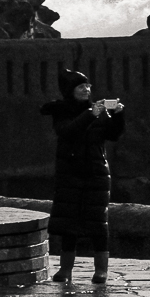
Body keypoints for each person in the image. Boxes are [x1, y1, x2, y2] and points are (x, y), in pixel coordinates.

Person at [39, 69, 124, 284]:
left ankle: (101, 270)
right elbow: (68, 131)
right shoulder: (62, 111)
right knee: (69, 223)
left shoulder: (97, 110)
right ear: (71, 90)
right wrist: (91, 113)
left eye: (88, 86)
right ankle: (65, 270)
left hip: (96, 173)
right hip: (70, 173)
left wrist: (118, 115)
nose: (86, 90)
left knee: (98, 223)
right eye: (80, 87)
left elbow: (112, 135)